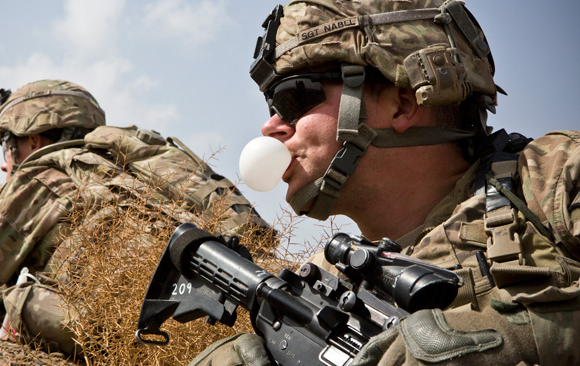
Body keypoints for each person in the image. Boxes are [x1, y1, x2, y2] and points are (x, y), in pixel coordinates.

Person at [189, 0, 580, 365]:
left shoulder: (556, 183)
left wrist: (507, 339)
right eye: (270, 108)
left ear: (403, 104)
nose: (269, 126)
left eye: (294, 98)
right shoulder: (323, 282)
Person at [0, 79, 270, 355]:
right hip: (247, 322)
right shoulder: (143, 175)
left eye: (9, 145)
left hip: (158, 340)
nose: (6, 162)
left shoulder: (42, 177)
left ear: (34, 141)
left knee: (23, 299)